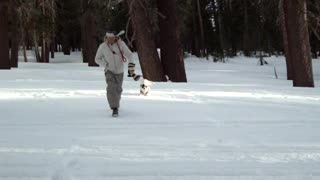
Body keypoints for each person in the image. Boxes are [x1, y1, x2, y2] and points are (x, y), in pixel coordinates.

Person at [95, 30, 140, 117]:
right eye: (109, 38)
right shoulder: (103, 46)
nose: (110, 39)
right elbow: (97, 59)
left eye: (112, 38)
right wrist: (105, 64)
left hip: (120, 71)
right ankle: (114, 108)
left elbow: (130, 55)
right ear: (106, 37)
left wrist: (131, 67)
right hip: (109, 71)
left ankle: (115, 103)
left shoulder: (121, 44)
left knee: (118, 90)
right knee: (111, 88)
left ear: (115, 37)